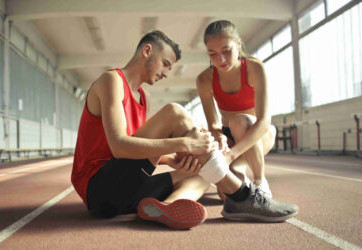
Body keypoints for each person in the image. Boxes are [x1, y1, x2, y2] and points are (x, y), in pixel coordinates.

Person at [71, 30, 298, 230]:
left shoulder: (143, 97)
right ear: (147, 51)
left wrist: (172, 159)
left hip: (123, 195)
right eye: (166, 64)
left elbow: (136, 151)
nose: (167, 73)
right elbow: (119, 147)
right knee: (174, 112)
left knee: (202, 170)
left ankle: (167, 207)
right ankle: (242, 196)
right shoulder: (112, 80)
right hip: (99, 190)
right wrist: (185, 144)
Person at [196, 20, 276, 198]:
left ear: (238, 45)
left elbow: (264, 121)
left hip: (259, 133)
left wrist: (231, 156)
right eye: (212, 53)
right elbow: (214, 124)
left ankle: (260, 181)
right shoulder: (204, 80)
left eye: (226, 50)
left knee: (240, 121)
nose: (221, 59)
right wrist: (218, 135)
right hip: (230, 138)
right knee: (227, 196)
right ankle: (240, 168)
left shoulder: (255, 68)